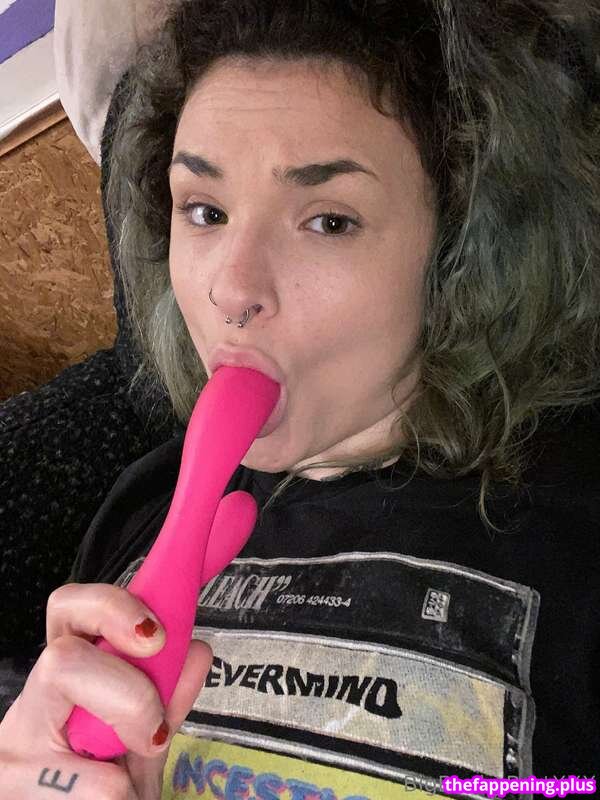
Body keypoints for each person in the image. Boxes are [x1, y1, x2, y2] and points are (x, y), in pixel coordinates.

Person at [2, 0, 600, 797]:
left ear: (462, 254)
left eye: (328, 221)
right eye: (204, 211)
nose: (231, 288)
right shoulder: (141, 505)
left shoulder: (576, 536)